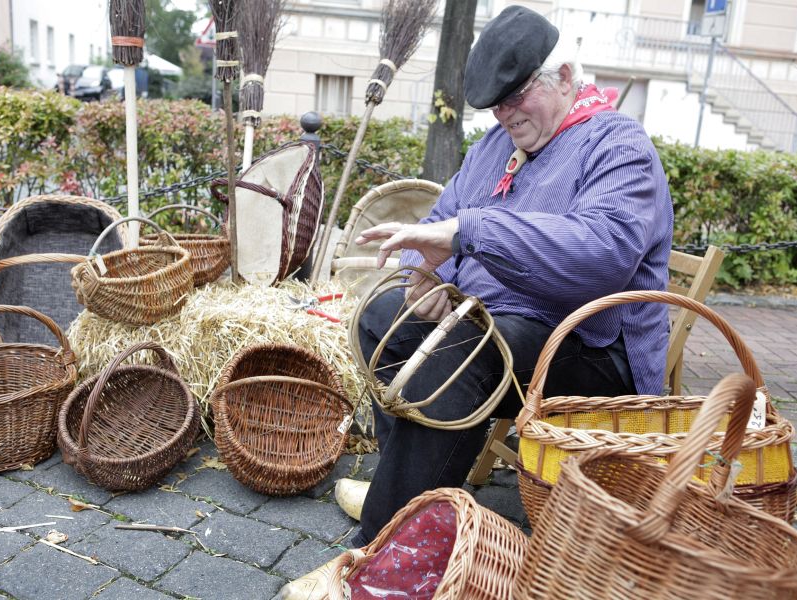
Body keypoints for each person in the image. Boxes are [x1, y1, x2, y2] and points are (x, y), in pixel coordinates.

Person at [279, 5, 673, 598]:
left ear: (566, 78)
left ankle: (379, 562)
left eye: (516, 96)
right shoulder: (494, 145)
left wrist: (469, 234)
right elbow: (440, 224)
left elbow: (602, 254)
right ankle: (410, 498)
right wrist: (427, 276)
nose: (504, 114)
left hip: (589, 348)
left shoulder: (618, 144)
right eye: (494, 104)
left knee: (461, 351)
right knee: (384, 318)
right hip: (498, 332)